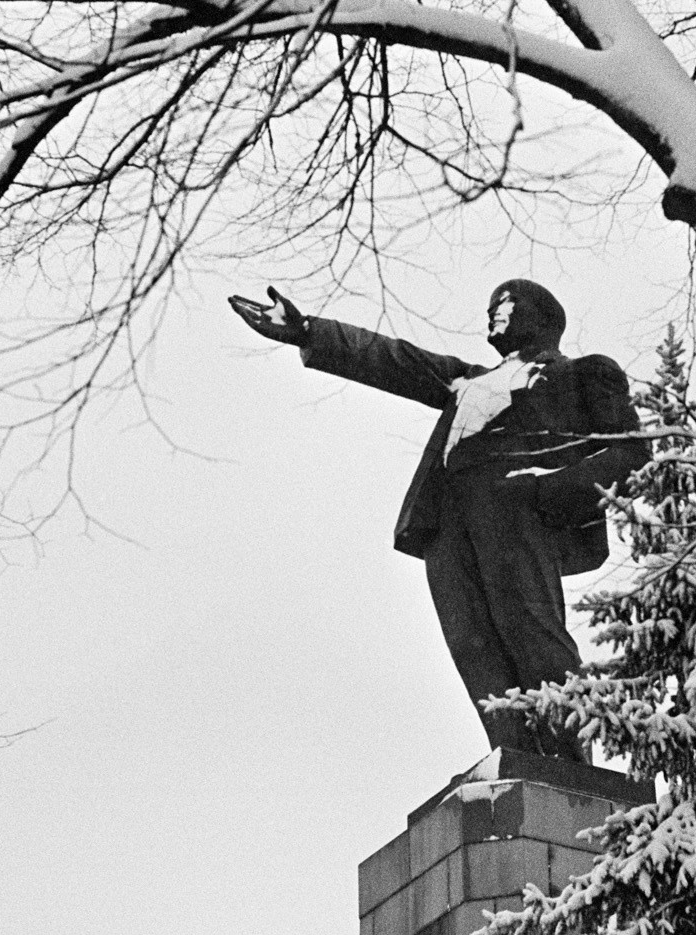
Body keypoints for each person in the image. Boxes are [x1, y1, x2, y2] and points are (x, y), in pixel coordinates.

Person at [228, 280, 647, 762]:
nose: (493, 314)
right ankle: (508, 757)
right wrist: (308, 332)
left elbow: (631, 451)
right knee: (473, 645)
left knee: (531, 632)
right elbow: (394, 360)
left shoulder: (581, 373)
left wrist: (547, 491)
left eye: (505, 305)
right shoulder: (466, 381)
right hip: (447, 522)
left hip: (516, 511)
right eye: (491, 306)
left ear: (541, 315)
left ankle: (571, 766)